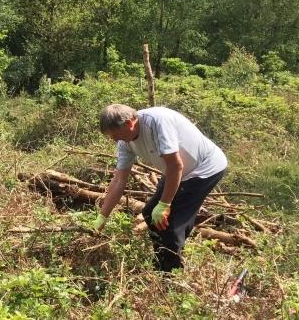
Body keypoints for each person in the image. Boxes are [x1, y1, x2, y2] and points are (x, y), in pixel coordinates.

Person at [93, 104, 228, 272]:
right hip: (175, 170)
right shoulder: (125, 142)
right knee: (150, 214)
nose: (114, 140)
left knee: (170, 223)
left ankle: (170, 274)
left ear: (129, 124)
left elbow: (176, 166)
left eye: (115, 135)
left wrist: (164, 205)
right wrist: (102, 217)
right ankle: (162, 261)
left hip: (204, 169)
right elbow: (119, 181)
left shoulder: (157, 123)